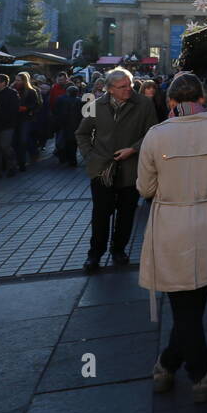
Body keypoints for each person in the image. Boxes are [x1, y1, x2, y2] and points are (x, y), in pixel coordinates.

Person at [137, 71, 207, 403]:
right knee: (193, 305)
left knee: (183, 307)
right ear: (202, 99)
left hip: (171, 225)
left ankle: (193, 372)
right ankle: (177, 367)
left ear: (170, 101)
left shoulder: (156, 135)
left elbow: (145, 188)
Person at [75, 68, 158, 271]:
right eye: (122, 87)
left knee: (126, 213)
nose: (128, 89)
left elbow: (153, 132)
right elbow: (82, 133)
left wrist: (133, 149)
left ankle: (119, 249)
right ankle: (94, 255)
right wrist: (90, 156)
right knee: (101, 214)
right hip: (102, 169)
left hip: (131, 168)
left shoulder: (144, 104)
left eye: (129, 85)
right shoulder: (96, 105)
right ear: (110, 89)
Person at [11, 72, 41, 171]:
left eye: (19, 80)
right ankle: (14, 162)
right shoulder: (12, 89)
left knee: (23, 141)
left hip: (25, 119)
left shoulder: (31, 91)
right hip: (13, 119)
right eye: (16, 80)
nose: (17, 82)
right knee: (14, 141)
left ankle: (22, 162)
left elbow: (36, 104)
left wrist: (26, 108)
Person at [53, 84, 82, 166]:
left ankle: (65, 158)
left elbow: (56, 111)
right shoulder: (79, 101)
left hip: (64, 125)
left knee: (64, 142)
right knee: (73, 143)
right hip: (75, 125)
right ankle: (72, 159)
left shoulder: (60, 99)